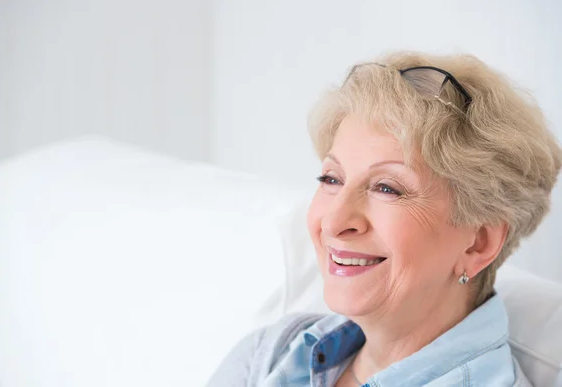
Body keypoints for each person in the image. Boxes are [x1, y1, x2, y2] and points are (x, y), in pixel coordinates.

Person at [206, 52, 562, 386]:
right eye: (332, 179)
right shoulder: (274, 352)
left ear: (479, 242)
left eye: (387, 188)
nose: (334, 223)